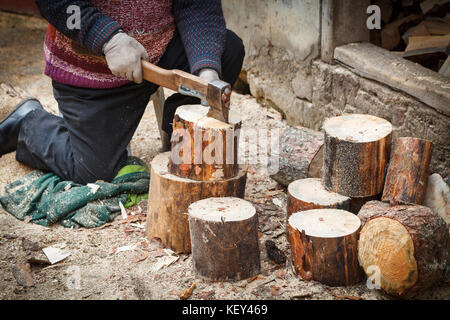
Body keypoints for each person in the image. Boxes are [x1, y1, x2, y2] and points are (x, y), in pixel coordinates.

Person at [0, 0, 245, 184]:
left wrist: (206, 71)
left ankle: (178, 135)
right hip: (91, 69)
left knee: (227, 51)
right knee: (93, 173)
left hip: (159, 52)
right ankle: (27, 123)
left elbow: (197, 4)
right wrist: (107, 38)